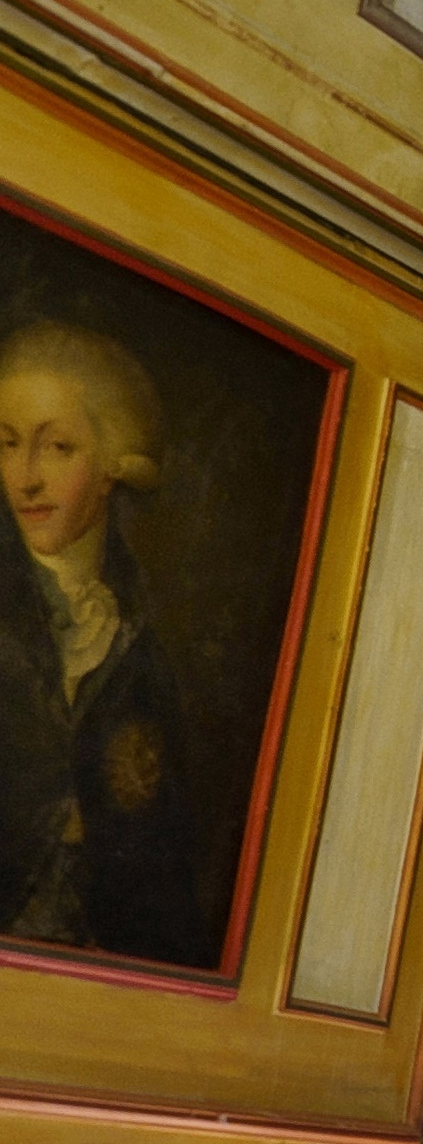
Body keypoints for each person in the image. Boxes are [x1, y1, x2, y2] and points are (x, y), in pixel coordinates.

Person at [0, 320, 205, 968]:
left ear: (114, 463)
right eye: (7, 444)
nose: (26, 478)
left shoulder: (141, 640)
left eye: (57, 447)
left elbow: (163, 851)